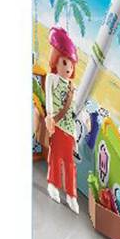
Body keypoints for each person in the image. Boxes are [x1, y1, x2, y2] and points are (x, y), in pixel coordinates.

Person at [42, 27, 81, 212]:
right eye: (64, 62)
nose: (68, 68)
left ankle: (72, 195)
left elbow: (74, 107)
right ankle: (53, 184)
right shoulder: (52, 78)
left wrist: (84, 121)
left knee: (70, 164)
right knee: (56, 158)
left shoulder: (72, 87)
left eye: (71, 65)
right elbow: (49, 97)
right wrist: (50, 115)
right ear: (55, 60)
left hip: (69, 129)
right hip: (57, 126)